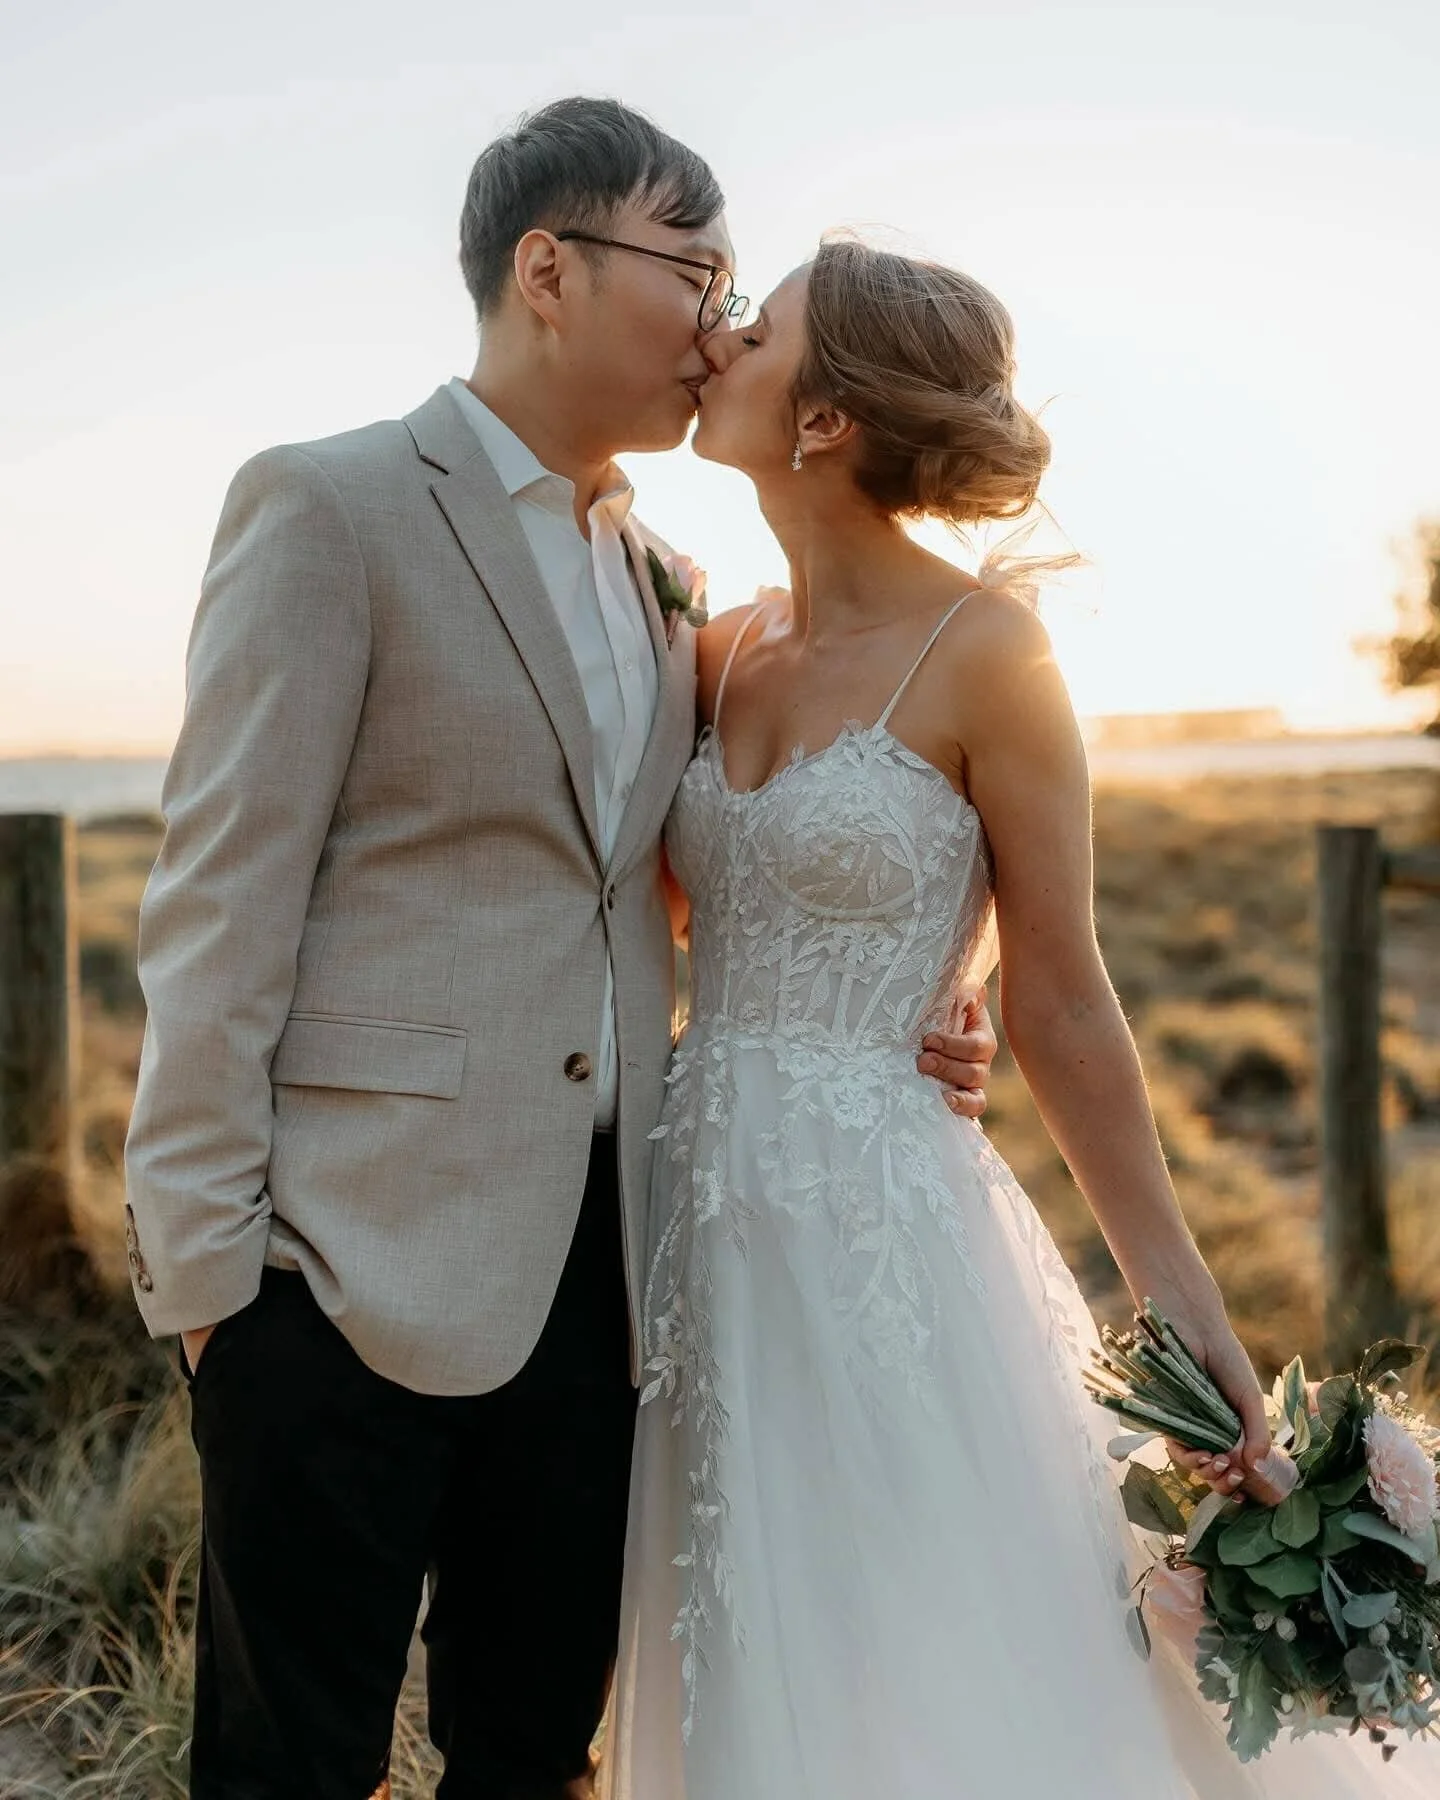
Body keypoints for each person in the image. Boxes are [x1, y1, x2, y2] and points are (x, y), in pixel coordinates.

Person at [122, 101, 992, 1800]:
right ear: (549, 271)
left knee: (529, 1758)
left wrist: (914, 1001)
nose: (720, 320)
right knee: (284, 1766)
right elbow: (218, 906)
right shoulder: (331, 506)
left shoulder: (673, 581)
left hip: (606, 1299)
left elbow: (670, 887)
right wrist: (215, 1289)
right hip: (331, 1281)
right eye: (697, 270)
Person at [599, 237, 1438, 1799]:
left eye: (754, 323)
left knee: (939, 1641)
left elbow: (1062, 991)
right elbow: (666, 928)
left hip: (885, 1239)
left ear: (828, 417)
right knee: (753, 1648)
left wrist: (1188, 1315)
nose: (717, 339)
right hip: (698, 1232)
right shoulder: (714, 648)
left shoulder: (988, 654)